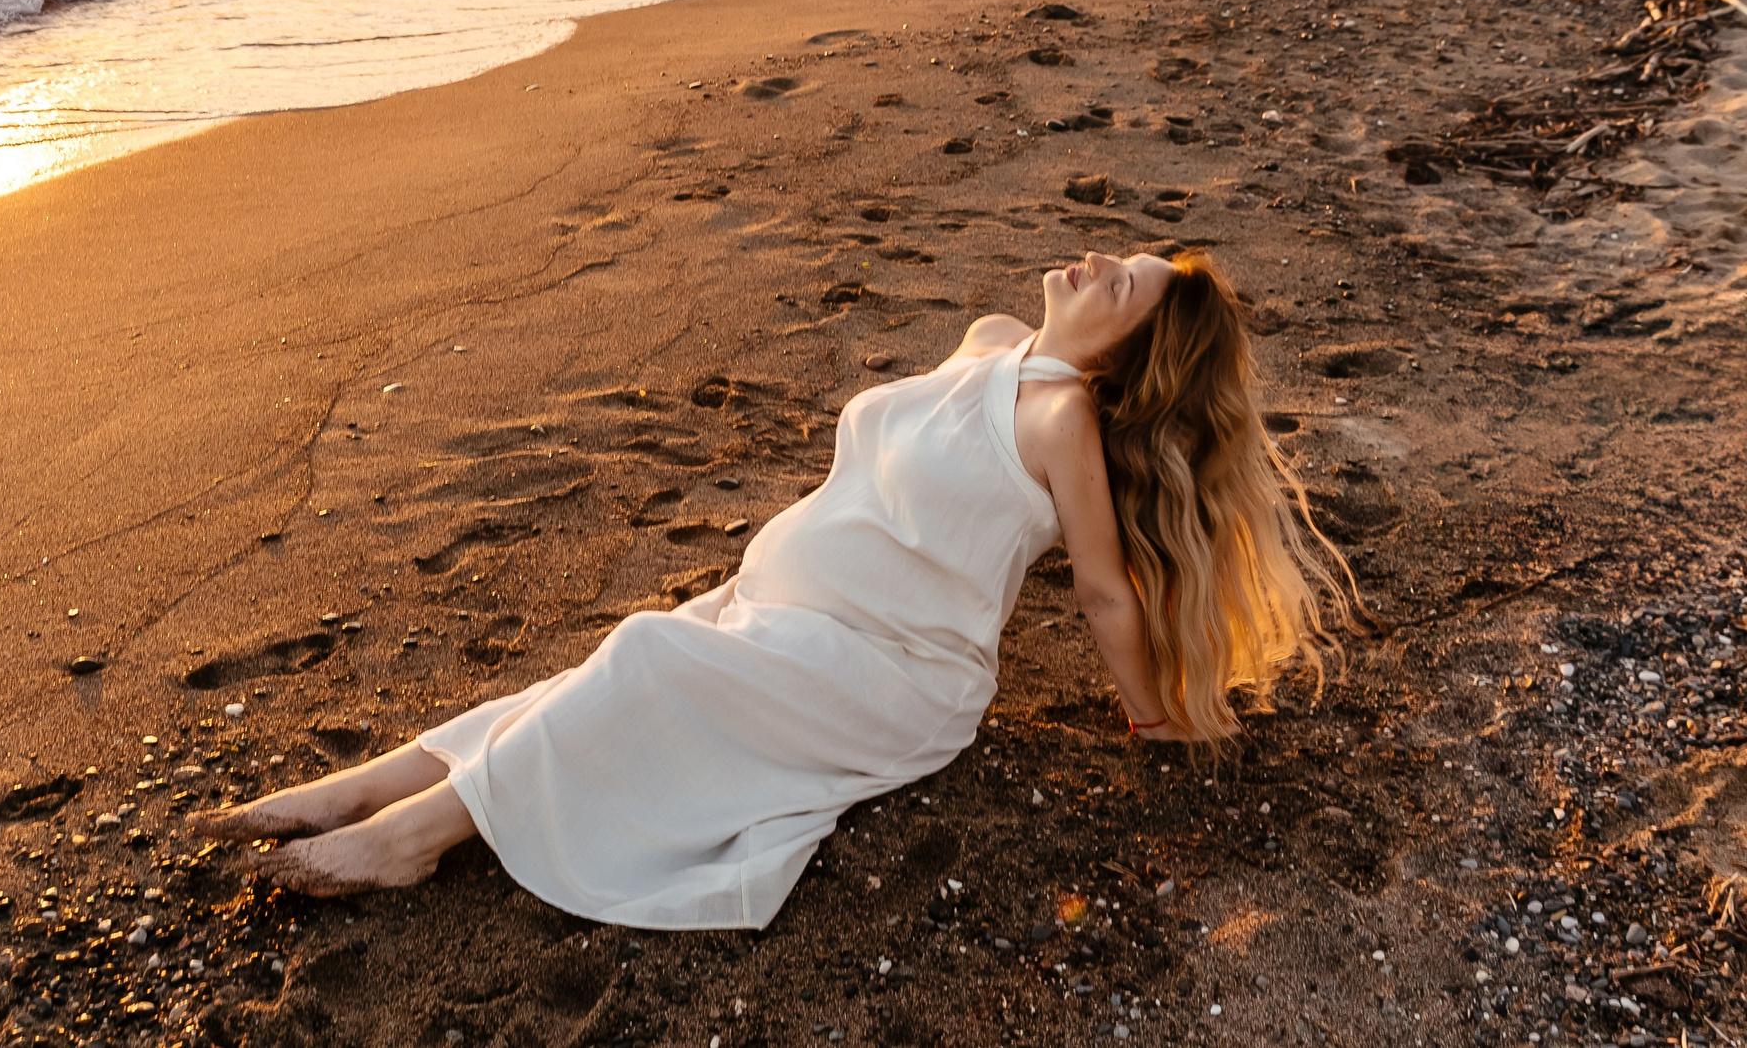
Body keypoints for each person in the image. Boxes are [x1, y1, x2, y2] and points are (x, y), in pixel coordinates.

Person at [191, 249, 1354, 928]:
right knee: (602, 672)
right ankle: (372, 784)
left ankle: (414, 838)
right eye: (1122, 250)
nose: (1100, 260)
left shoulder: (1061, 426)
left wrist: (1153, 712)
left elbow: (1104, 595)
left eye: (1128, 284)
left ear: (1128, 348)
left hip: (891, 673)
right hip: (783, 618)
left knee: (645, 656)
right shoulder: (991, 339)